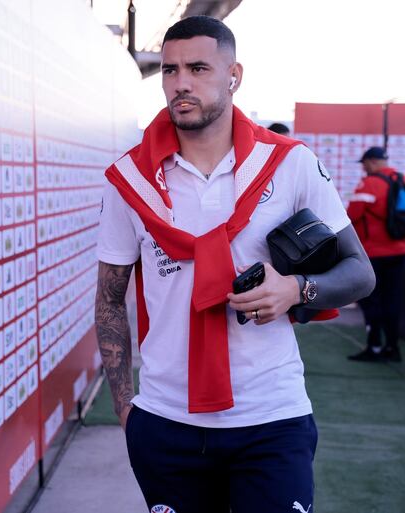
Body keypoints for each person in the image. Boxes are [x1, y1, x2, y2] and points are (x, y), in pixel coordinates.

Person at [95, 15, 375, 513]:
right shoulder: (128, 181)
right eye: (170, 69)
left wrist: (296, 289)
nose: (181, 83)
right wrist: (126, 410)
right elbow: (110, 299)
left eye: (199, 68)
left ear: (233, 75)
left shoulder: (289, 163)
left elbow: (360, 272)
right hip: (165, 423)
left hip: (271, 419)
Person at [346, 146, 405, 362]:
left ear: (372, 162)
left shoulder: (369, 183)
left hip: (374, 252)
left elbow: (352, 215)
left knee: (370, 299)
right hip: (400, 249)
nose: (363, 168)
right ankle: (393, 348)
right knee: (392, 298)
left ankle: (374, 347)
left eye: (364, 163)